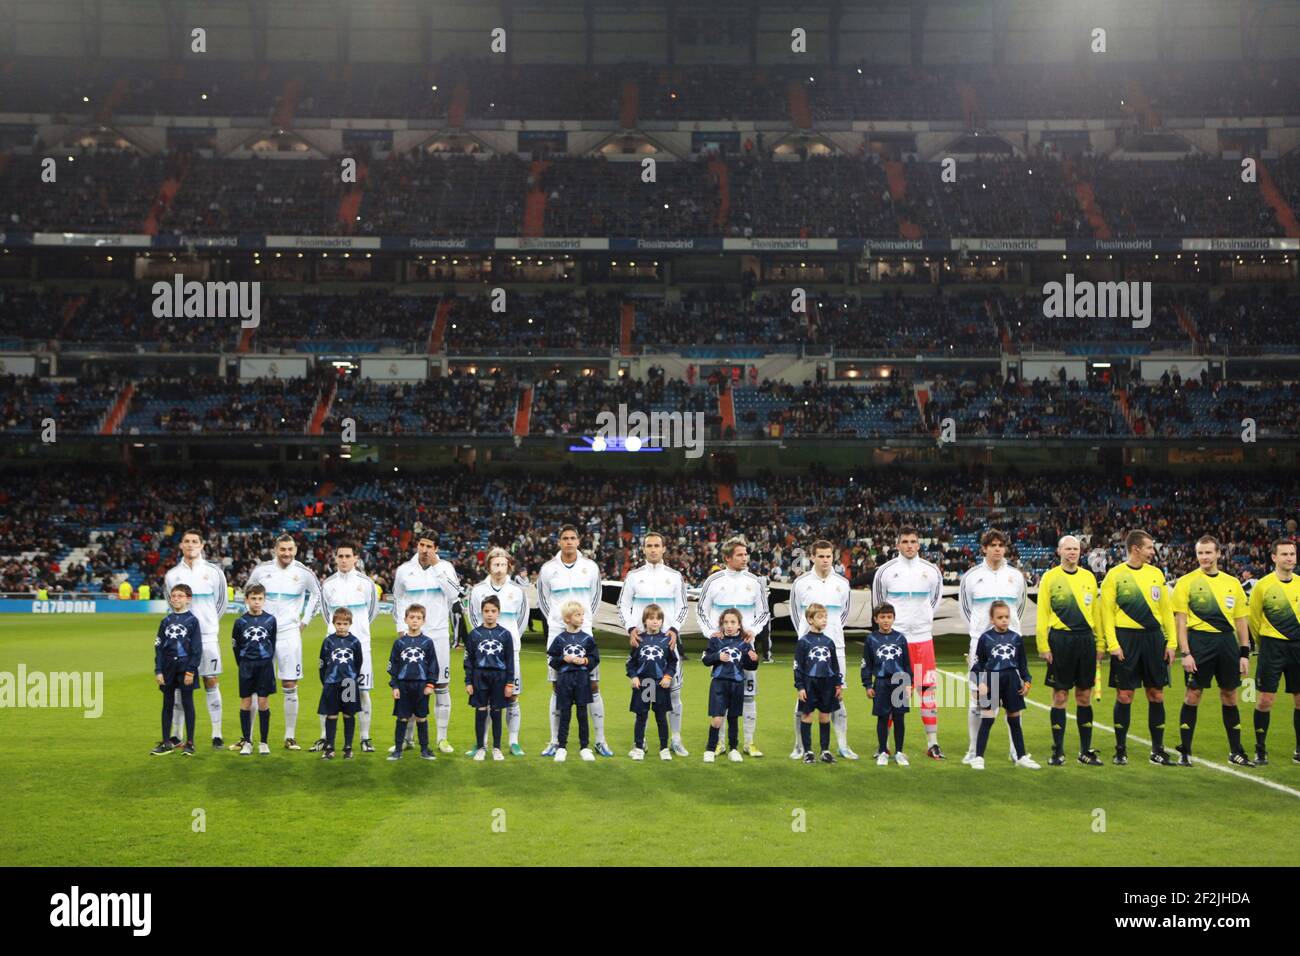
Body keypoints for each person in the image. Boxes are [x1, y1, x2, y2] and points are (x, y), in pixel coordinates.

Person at [1171, 536, 1253, 766]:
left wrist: (1244, 654)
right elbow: (1181, 621)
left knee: (1230, 695)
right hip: (1199, 643)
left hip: (1227, 643)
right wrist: (1185, 653)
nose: (1204, 557)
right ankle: (1185, 751)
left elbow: (1241, 621)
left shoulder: (1232, 583)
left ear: (1218, 554)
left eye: (1208, 553)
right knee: (1193, 694)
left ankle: (1235, 751)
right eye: (1200, 553)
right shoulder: (1186, 582)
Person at [1100, 529, 1177, 766]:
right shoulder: (1115, 575)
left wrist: (1171, 642)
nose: (1153, 551)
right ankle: (1120, 750)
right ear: (1136, 549)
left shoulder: (1156, 574)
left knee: (1156, 694)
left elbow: (1166, 610)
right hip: (1126, 639)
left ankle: (1157, 750)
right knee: (1125, 695)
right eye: (1149, 548)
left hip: (1153, 639)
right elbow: (1107, 614)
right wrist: (1113, 644)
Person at [245, 533, 323, 750]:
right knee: (255, 685)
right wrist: (251, 620)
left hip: (290, 634)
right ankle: (248, 737)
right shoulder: (261, 571)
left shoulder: (304, 573)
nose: (286, 553)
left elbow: (317, 595)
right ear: (275, 549)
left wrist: (305, 621)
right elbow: (248, 593)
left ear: (295, 550)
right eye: (282, 549)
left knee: (290, 683)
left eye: (290, 549)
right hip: (262, 635)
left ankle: (290, 736)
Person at [871, 528, 944, 758]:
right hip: (896, 641)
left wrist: (921, 621)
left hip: (923, 639)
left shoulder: (932, 571)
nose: (910, 545)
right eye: (905, 541)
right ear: (897, 544)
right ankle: (884, 746)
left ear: (919, 544)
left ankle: (932, 743)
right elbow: (879, 604)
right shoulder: (885, 572)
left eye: (913, 541)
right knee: (892, 693)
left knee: (927, 691)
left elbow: (934, 602)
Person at [537, 527, 608, 757]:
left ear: (579, 541)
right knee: (557, 686)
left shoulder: (590, 567)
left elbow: (596, 597)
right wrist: (558, 620)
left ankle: (600, 740)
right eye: (565, 538)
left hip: (584, 630)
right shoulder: (548, 569)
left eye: (573, 538)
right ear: (559, 542)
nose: (569, 542)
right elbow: (543, 599)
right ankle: (555, 740)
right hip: (558, 630)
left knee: (593, 685)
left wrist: (583, 620)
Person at [618, 531, 690, 756]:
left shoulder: (675, 576)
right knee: (643, 693)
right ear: (644, 549)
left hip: (667, 642)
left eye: (657, 545)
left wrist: (675, 629)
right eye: (649, 546)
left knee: (673, 693)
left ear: (664, 548)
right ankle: (642, 742)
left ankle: (675, 739)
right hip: (642, 643)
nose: (653, 549)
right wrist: (631, 628)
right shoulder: (633, 576)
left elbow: (683, 607)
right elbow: (623, 605)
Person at [390, 532, 463, 754]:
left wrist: (437, 567)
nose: (424, 549)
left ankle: (442, 738)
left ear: (436, 548)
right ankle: (407, 739)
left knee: (440, 686)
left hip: (438, 635)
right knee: (410, 686)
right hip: (411, 637)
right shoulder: (404, 570)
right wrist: (401, 630)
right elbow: (398, 599)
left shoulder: (446, 568)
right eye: (421, 545)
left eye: (429, 546)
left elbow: (454, 594)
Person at [959, 530, 1027, 764]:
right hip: (981, 643)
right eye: (993, 545)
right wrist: (982, 635)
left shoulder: (1016, 576)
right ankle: (972, 750)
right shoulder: (971, 576)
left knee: (1014, 699)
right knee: (978, 698)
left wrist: (1007, 634)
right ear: (984, 548)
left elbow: (1019, 607)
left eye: (1001, 545)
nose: (997, 549)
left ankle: (1016, 751)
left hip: (1009, 645)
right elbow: (966, 609)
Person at [1036, 535, 1105, 767]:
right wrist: (1043, 645)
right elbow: (1043, 613)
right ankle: (1058, 751)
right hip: (1060, 640)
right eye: (1068, 549)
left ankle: (1085, 751)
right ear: (1059, 551)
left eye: (1075, 549)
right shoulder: (1050, 577)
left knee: (1084, 697)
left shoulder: (1088, 577)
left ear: (1080, 551)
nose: (1072, 552)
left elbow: (1096, 613)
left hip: (1085, 640)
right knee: (1060, 696)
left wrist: (1100, 643)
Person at [698, 538, 770, 756]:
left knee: (748, 695)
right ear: (727, 557)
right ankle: (719, 743)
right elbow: (701, 610)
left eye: (746, 553)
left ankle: (748, 742)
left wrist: (753, 631)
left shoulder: (755, 581)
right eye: (739, 554)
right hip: (722, 649)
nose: (745, 557)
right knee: (721, 696)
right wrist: (711, 632)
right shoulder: (714, 581)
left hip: (745, 648)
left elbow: (764, 612)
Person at [789, 539, 856, 759]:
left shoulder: (842, 584)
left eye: (829, 556)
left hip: (835, 647)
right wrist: (807, 639)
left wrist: (832, 633)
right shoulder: (801, 583)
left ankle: (842, 745)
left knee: (838, 695)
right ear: (812, 557)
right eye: (821, 556)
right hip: (808, 652)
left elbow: (843, 614)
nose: (825, 560)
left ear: (833, 557)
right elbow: (795, 614)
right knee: (803, 697)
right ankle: (800, 747)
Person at [163, 530, 229, 748]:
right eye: (186, 541)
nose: (190, 545)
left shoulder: (214, 572)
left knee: (210, 680)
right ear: (181, 545)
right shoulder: (172, 575)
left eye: (194, 542)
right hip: (181, 640)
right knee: (181, 684)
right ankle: (176, 734)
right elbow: (170, 602)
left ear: (202, 546)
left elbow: (221, 603)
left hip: (208, 636)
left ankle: (216, 733)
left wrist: (206, 625)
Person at [466, 548, 530, 755]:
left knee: (512, 696)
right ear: (488, 566)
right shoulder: (478, 590)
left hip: (509, 653)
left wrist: (510, 641)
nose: (499, 569)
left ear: (508, 566)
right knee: (483, 700)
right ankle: (481, 742)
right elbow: (474, 618)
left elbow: (522, 620)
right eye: (495, 564)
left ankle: (513, 741)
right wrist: (484, 639)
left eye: (503, 564)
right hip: (484, 655)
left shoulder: (517, 591)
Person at [317, 542, 380, 753]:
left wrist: (357, 633)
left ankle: (364, 737)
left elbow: (372, 612)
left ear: (356, 558)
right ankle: (326, 737)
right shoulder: (328, 584)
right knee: (329, 690)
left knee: (362, 691)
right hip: (334, 648)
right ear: (335, 558)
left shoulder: (367, 583)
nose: (344, 560)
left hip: (359, 645)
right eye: (340, 556)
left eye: (347, 556)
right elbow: (327, 615)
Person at [1248, 538, 1300, 764]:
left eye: (1292, 554)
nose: (1290, 558)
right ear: (1274, 558)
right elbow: (1254, 620)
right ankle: (1260, 749)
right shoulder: (1263, 585)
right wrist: (1266, 641)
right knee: (1265, 700)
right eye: (1285, 554)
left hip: (1298, 647)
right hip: (1272, 647)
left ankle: (1299, 749)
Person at [970, 601, 1039, 770]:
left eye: (1007, 617)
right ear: (992, 619)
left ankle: (1021, 756)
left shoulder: (1016, 638)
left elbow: (1022, 664)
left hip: (1011, 680)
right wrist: (980, 684)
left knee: (1015, 720)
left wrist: (1027, 681)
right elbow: (977, 667)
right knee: (988, 719)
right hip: (992, 680)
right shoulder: (985, 639)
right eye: (1000, 617)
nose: (1004, 620)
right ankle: (978, 757)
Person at [701, 607, 758, 763]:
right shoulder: (716, 640)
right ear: (722, 624)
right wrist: (717, 656)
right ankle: (710, 749)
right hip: (719, 684)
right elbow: (706, 660)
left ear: (739, 625)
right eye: (726, 622)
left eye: (733, 622)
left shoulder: (745, 642)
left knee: (733, 718)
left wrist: (754, 659)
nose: (729, 625)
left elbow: (751, 666)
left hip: (737, 684)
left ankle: (733, 749)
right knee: (717, 718)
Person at [546, 600, 601, 763]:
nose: (582, 618)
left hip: (582, 680)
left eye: (582, 614)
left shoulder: (587, 639)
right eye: (578, 615)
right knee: (565, 714)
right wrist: (564, 658)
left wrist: (584, 661)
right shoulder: (560, 639)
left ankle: (584, 747)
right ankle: (561, 747)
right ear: (567, 619)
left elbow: (594, 658)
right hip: (565, 680)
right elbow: (552, 658)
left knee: (582, 714)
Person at [151, 583, 202, 756]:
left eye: (180, 596)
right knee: (167, 704)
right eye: (173, 596)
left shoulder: (192, 621)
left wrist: (190, 671)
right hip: (168, 668)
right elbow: (158, 647)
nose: (176, 599)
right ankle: (166, 742)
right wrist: (158, 670)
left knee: (188, 703)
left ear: (188, 599)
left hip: (185, 666)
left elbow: (197, 649)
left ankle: (190, 742)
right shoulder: (165, 621)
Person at [463, 594, 515, 762]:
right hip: (480, 676)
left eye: (493, 611)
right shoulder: (475, 634)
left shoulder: (505, 635)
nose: (490, 614)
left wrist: (509, 682)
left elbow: (509, 661)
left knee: (496, 712)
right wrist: (468, 681)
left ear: (498, 612)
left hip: (499, 677)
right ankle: (480, 747)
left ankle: (497, 747)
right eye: (486, 611)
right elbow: (468, 660)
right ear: (481, 612)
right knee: (480, 711)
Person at [793, 603, 844, 765]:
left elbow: (835, 665)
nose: (824, 620)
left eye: (825, 617)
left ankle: (825, 750)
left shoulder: (829, 642)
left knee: (825, 715)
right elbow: (798, 666)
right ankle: (808, 751)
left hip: (827, 684)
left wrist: (838, 684)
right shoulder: (804, 642)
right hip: (809, 684)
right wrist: (800, 686)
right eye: (820, 617)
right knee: (807, 715)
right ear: (810, 619)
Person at [625, 603, 677, 761]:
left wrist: (668, 677)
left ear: (662, 621)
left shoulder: (666, 640)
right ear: (644, 621)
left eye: (658, 619)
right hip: (644, 684)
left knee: (661, 717)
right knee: (641, 716)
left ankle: (664, 748)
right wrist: (633, 676)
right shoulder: (639, 640)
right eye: (651, 618)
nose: (655, 621)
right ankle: (639, 747)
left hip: (660, 683)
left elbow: (672, 663)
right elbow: (631, 663)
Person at [862, 603, 912, 766]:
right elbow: (866, 664)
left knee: (899, 718)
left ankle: (899, 752)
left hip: (899, 683)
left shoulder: (900, 638)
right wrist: (868, 684)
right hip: (882, 683)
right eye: (882, 617)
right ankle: (883, 751)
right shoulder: (871, 639)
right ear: (876, 619)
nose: (886, 620)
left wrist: (909, 683)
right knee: (883, 718)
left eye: (889, 617)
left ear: (894, 618)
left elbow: (907, 664)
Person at [387, 605, 438, 761]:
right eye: (412, 617)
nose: (415, 621)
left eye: (418, 618)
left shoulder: (427, 642)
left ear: (423, 621)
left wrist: (430, 684)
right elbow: (393, 666)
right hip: (403, 686)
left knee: (421, 717)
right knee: (402, 718)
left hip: (422, 686)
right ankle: (397, 750)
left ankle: (424, 749)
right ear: (405, 620)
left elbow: (433, 665)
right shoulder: (399, 643)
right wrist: (394, 685)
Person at [231, 583, 277, 756]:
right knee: (246, 702)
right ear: (247, 600)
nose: (257, 602)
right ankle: (247, 741)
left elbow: (272, 641)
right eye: (253, 599)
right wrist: (242, 663)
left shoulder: (270, 620)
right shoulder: (240, 622)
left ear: (264, 600)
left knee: (263, 703)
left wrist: (265, 660)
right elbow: (235, 645)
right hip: (246, 666)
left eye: (260, 599)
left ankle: (263, 742)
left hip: (265, 665)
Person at [317, 608, 364, 760]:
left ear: (350, 624)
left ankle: (348, 747)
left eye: (345, 623)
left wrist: (351, 677)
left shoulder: (355, 642)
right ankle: (330, 747)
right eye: (339, 623)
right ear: (333, 624)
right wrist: (325, 681)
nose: (342, 626)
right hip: (331, 682)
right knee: (331, 715)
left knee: (348, 714)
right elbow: (322, 663)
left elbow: (358, 662)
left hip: (349, 683)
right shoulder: (328, 641)